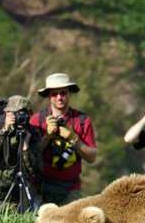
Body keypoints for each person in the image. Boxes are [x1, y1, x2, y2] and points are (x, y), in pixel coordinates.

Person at [29, 73, 97, 206]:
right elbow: (30, 154)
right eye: (55, 94)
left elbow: (92, 157)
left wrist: (74, 138)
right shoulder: (37, 120)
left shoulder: (82, 120)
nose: (59, 97)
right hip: (41, 186)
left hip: (71, 188)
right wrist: (47, 137)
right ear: (49, 96)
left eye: (63, 93)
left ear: (69, 94)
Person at [0, 95, 43, 213]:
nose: (21, 118)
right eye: (17, 113)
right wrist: (4, 131)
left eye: (25, 114)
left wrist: (25, 148)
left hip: (15, 197)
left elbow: (35, 170)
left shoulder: (31, 133)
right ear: (7, 113)